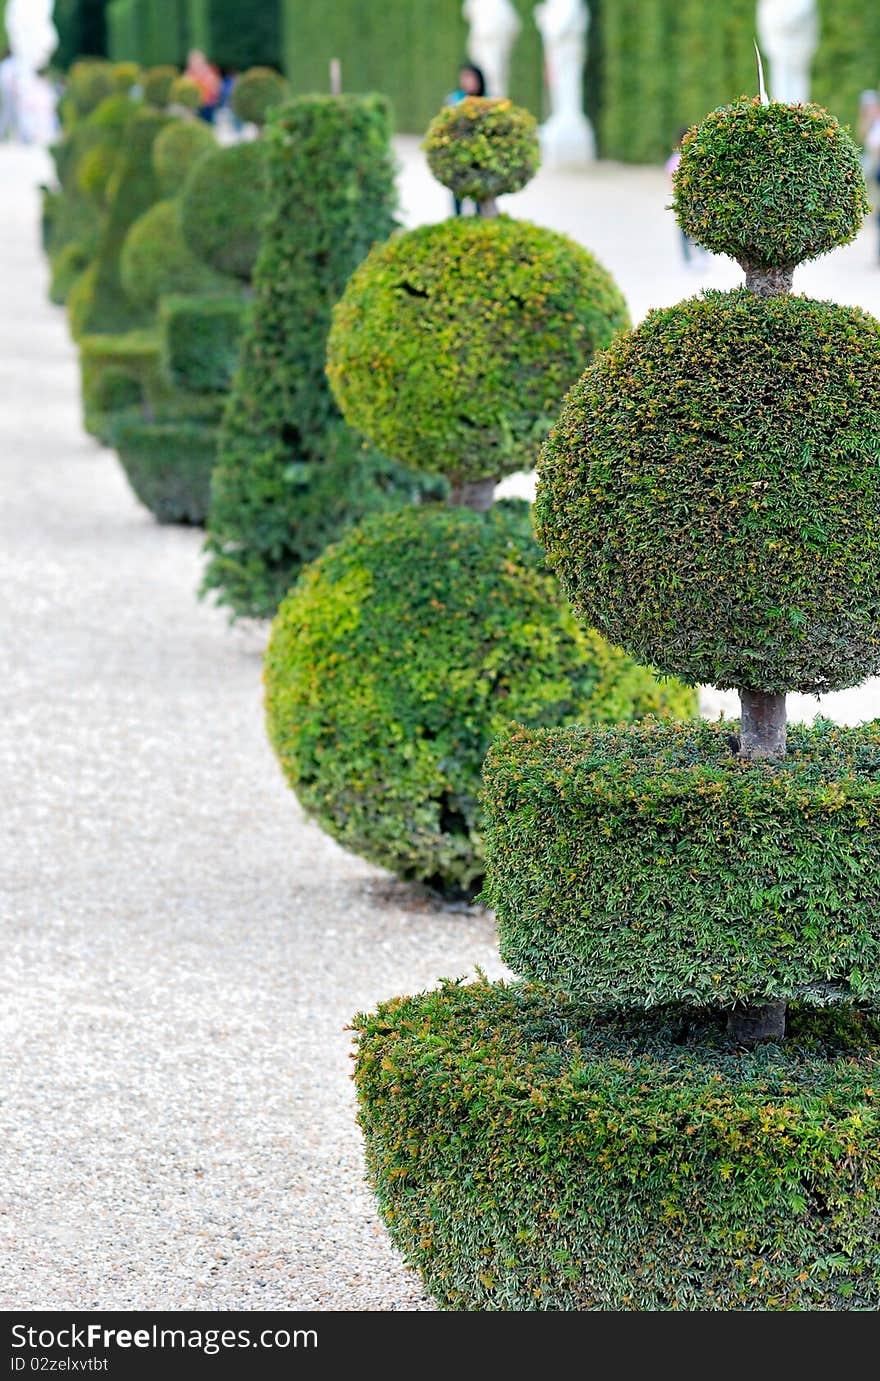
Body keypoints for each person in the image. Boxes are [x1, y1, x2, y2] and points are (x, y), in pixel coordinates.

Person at [443, 63, 486, 216]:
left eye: (470, 78)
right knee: (458, 194)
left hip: (482, 158)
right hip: (459, 156)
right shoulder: (454, 100)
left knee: (482, 197)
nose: (467, 82)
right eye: (464, 78)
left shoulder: (488, 101)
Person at [666, 127, 707, 268]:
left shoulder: (675, 159)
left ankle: (688, 260)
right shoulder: (694, 156)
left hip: (683, 200)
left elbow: (671, 181)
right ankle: (701, 256)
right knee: (700, 228)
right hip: (695, 199)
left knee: (685, 231)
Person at [185, 48, 221, 124]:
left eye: (197, 60)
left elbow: (216, 88)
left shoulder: (209, 72)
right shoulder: (189, 74)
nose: (196, 63)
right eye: (194, 61)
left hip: (208, 105)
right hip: (193, 107)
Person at [0, 49, 19, 140]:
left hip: (5, 90)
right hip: (10, 91)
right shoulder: (11, 64)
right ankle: (19, 135)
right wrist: (14, 90)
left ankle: (7, 134)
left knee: (8, 113)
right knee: (10, 113)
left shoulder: (3, 64)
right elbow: (12, 79)